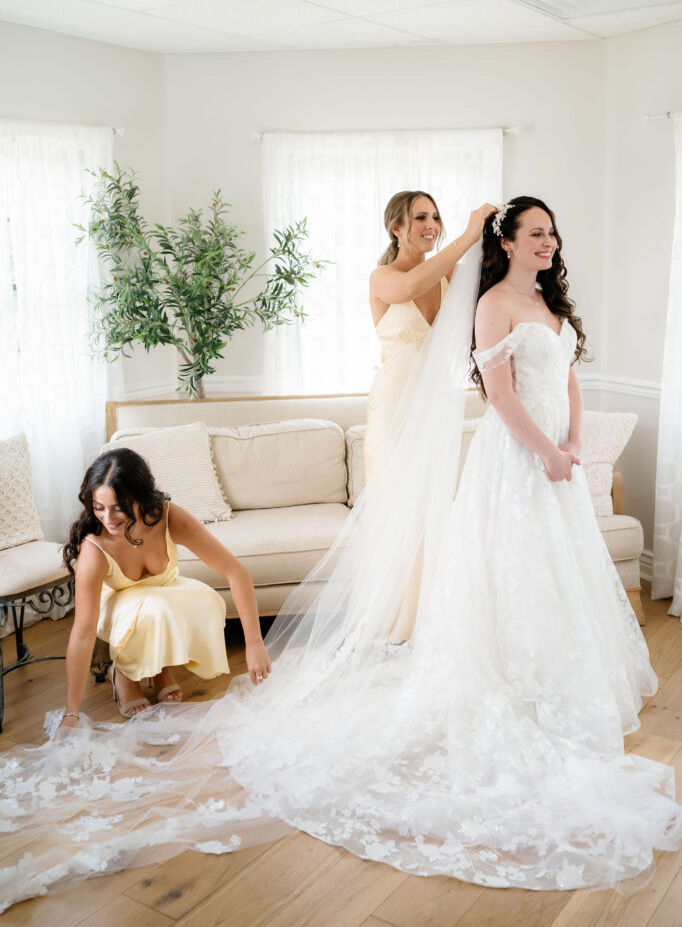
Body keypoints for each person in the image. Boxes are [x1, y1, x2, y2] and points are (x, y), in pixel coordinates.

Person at [1, 199, 681, 910]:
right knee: (458, 546)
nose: (548, 242)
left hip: (554, 461)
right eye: (534, 232)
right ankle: (436, 642)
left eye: (551, 233)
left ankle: (546, 669)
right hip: (484, 442)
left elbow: (561, 373)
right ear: (503, 241)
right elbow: (495, 385)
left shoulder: (534, 300)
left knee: (550, 573)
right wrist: (546, 444)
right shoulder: (438, 290)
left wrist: (573, 444)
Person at [59, 448, 270, 729]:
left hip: (162, 592)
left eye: (118, 507)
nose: (107, 518)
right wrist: (71, 714)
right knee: (155, 610)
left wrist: (254, 643)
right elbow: (83, 633)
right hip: (115, 608)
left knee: (207, 601)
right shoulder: (95, 548)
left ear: (140, 498)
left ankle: (159, 669)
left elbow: (235, 571)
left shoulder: (166, 516)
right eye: (99, 507)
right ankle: (123, 673)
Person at [365, 191, 496, 640]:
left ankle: (426, 616)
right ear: (397, 228)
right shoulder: (383, 277)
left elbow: (490, 288)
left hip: (435, 407)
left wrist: (496, 232)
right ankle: (395, 619)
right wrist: (467, 233)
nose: (431, 224)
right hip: (394, 407)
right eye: (420, 217)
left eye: (436, 217)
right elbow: (410, 287)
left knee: (430, 508)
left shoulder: (451, 276)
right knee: (399, 507)